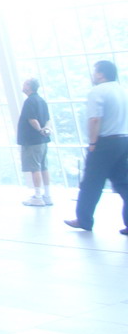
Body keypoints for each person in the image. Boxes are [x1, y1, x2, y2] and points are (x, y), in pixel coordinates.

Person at [64, 60, 128, 233]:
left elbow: (94, 119)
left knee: (91, 183)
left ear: (101, 74)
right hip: (123, 140)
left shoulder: (98, 91)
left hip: (105, 142)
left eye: (95, 72)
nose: (93, 76)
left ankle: (84, 220)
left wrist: (92, 143)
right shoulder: (123, 91)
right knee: (123, 183)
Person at [18, 78, 52, 206]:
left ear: (29, 87)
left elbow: (32, 119)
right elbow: (48, 119)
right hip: (43, 141)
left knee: (35, 168)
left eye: (24, 83)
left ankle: (37, 196)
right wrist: (45, 130)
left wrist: (39, 130)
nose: (23, 85)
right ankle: (47, 194)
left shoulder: (29, 101)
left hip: (33, 140)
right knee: (43, 166)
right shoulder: (41, 100)